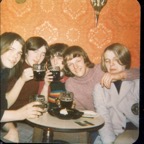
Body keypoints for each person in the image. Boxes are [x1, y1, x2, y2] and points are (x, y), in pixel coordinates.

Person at [63, 45, 139, 143]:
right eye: (70, 64)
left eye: (78, 61)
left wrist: (119, 75)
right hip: (97, 123)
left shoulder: (102, 69)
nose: (75, 66)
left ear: (85, 59)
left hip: (120, 121)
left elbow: (136, 73)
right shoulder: (70, 84)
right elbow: (80, 111)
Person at [0, 32, 44, 143]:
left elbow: (3, 105)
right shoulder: (14, 71)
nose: (15, 56)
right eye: (11, 49)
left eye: (18, 52)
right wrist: (20, 114)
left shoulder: (5, 72)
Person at [93, 43, 139, 144]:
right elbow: (104, 120)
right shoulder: (99, 88)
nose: (112, 64)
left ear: (125, 61)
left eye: (116, 59)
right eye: (107, 61)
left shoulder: (137, 83)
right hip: (113, 134)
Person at [7, 36, 50, 110]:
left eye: (43, 54)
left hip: (30, 116)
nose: (38, 57)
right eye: (35, 51)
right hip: (12, 115)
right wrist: (22, 80)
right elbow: (5, 104)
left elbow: (42, 105)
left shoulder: (40, 72)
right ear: (26, 52)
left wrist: (46, 85)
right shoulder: (14, 68)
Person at [38, 43, 69, 109]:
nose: (55, 62)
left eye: (59, 58)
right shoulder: (46, 77)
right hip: (51, 114)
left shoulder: (71, 77)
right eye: (52, 58)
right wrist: (46, 85)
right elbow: (42, 104)